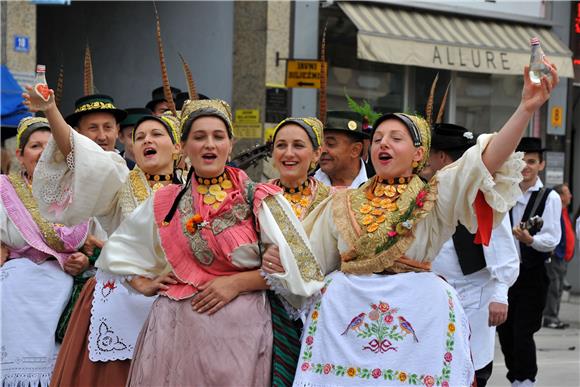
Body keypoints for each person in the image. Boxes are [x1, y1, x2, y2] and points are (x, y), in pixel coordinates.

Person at [263, 60, 558, 386]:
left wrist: (526, 108)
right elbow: (307, 261)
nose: (383, 143)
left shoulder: (435, 197)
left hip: (417, 316)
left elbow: (485, 161)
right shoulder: (341, 202)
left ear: (419, 154)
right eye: (377, 139)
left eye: (396, 138)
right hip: (345, 323)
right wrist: (278, 259)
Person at [94, 99, 323, 386]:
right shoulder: (165, 201)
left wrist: (238, 282)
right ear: (184, 146)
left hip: (240, 335)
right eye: (199, 137)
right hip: (175, 331)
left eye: (218, 136)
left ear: (231, 143)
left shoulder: (261, 199)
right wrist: (142, 282)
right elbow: (119, 253)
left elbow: (304, 271)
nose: (209, 145)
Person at [23, 86, 183, 386]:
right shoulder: (119, 177)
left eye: (157, 134)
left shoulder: (195, 189)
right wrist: (50, 110)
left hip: (179, 297)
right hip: (123, 295)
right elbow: (77, 152)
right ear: (131, 148)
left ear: (178, 147)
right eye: (139, 136)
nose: (147, 139)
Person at [422, 123, 519, 387]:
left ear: (442, 157)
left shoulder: (482, 195)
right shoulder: (424, 190)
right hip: (433, 294)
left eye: (430, 154)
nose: (425, 162)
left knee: (471, 366)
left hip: (473, 297)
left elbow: (504, 250)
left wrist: (500, 295)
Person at [0, 116, 92, 387]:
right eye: (35, 146)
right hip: (15, 290)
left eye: (51, 146)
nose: (43, 153)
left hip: (65, 288)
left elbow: (100, 243)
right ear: (20, 154)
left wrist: (86, 259)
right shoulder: (3, 190)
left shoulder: (79, 192)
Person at [269, 116, 332, 386]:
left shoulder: (335, 201)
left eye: (298, 145)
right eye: (281, 145)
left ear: (317, 153)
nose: (289, 153)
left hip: (321, 313)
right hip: (266, 312)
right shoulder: (255, 197)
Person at [497, 136, 562, 387]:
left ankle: (525, 380)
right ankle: (516, 377)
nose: (526, 166)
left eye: (532, 161)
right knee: (505, 332)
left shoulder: (550, 198)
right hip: (506, 273)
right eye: (522, 160)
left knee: (523, 332)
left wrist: (529, 240)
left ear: (541, 165)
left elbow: (552, 238)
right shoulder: (505, 192)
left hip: (532, 274)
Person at [542, 183, 575, 329]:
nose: (570, 196)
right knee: (553, 287)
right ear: (560, 196)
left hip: (563, 257)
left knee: (559, 287)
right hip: (555, 255)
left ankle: (554, 316)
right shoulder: (555, 211)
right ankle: (550, 317)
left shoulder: (564, 211)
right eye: (567, 193)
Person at [314, 111, 368, 189]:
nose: (322, 150)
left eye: (330, 144)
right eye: (320, 144)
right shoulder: (306, 185)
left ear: (355, 150)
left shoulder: (379, 186)